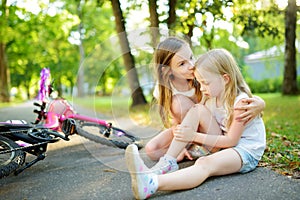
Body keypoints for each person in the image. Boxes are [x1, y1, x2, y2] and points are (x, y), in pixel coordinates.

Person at [125, 48, 266, 199]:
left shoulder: (241, 103)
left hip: (245, 152)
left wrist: (193, 136)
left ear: (225, 79)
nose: (202, 88)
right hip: (225, 145)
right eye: (200, 83)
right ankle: (167, 163)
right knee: (197, 109)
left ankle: (152, 183)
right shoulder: (211, 97)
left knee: (205, 164)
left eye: (205, 83)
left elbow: (231, 141)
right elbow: (196, 117)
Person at [146, 37, 265, 161]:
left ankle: (199, 147)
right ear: (168, 70)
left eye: (191, 57)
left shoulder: (204, 77)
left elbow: (235, 88)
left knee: (184, 105)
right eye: (182, 64)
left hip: (211, 131)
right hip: (188, 128)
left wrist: (261, 103)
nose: (191, 65)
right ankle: (188, 149)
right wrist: (179, 144)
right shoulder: (164, 89)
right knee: (151, 149)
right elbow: (176, 122)